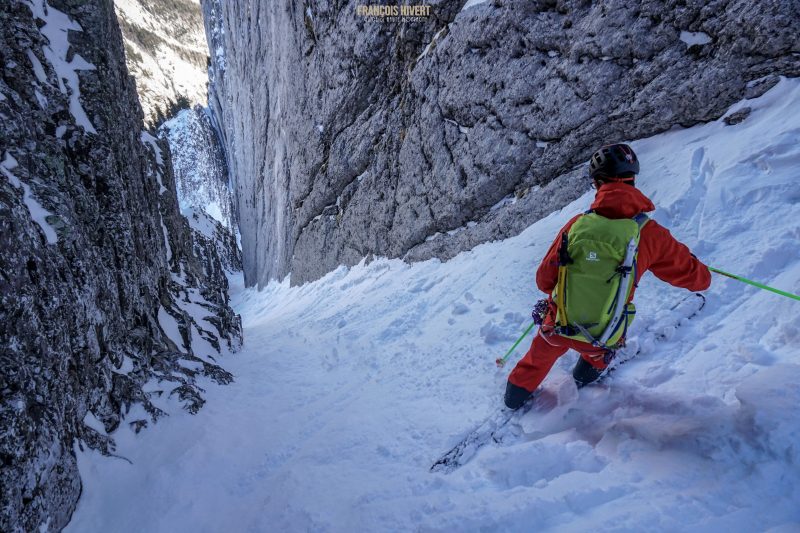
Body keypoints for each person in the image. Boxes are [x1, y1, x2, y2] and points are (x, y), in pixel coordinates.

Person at [504, 143, 711, 410]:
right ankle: (584, 375)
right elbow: (699, 280)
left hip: (557, 325)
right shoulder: (650, 234)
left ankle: (515, 397)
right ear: (632, 179)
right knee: (600, 354)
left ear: (598, 183)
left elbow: (544, 280)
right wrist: (694, 265)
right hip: (602, 336)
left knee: (538, 355)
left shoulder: (576, 225)